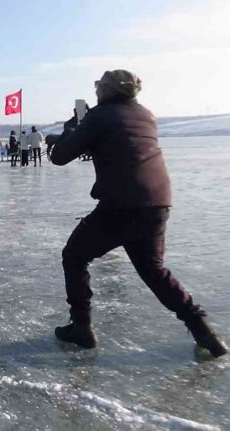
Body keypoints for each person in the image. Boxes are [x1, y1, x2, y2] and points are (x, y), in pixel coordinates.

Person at [50, 69, 227, 357]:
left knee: (74, 255)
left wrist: (73, 127)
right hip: (158, 202)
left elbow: (59, 157)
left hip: (121, 205)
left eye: (98, 88)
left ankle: (81, 326)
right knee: (155, 272)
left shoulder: (100, 115)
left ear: (105, 90)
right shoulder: (147, 114)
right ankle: (204, 330)